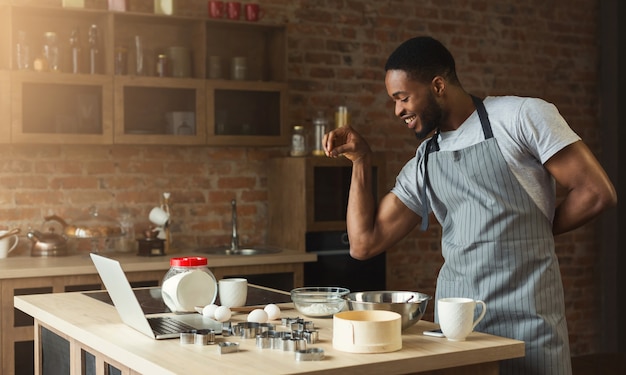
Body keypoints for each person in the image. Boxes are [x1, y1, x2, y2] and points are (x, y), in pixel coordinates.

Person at [323, 36, 617, 375]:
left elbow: (595, 192)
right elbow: (364, 243)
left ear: (437, 85)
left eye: (403, 98)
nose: (398, 111)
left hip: (529, 325)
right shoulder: (425, 159)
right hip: (459, 333)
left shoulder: (520, 116)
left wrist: (530, 229)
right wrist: (361, 160)